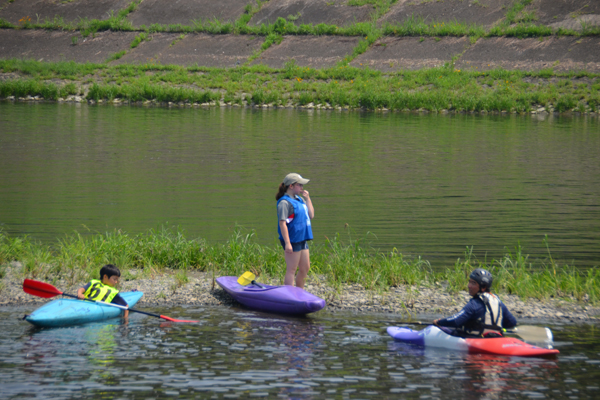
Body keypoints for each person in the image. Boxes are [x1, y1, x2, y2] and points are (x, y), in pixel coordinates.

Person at [433, 268, 517, 337]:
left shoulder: (474, 304)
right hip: (497, 339)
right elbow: (512, 323)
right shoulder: (498, 301)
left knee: (435, 328)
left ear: (483, 287)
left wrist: (439, 322)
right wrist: (496, 328)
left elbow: (455, 321)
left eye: (473, 283)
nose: (469, 286)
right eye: (469, 282)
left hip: (477, 340)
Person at [276, 173, 314, 288]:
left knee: (305, 268)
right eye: (300, 185)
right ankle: (290, 296)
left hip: (302, 237)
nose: (302, 187)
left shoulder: (300, 199)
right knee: (292, 269)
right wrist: (287, 243)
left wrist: (308, 199)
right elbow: (282, 223)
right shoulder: (284, 203)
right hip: (292, 239)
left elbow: (311, 215)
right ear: (291, 186)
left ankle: (299, 292)